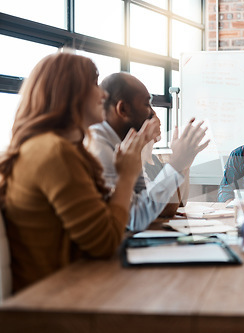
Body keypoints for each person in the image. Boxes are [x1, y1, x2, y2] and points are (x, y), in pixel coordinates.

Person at [0, 52, 157, 292]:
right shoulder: (54, 152)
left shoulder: (59, 148)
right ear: (69, 93)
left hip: (72, 286)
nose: (103, 94)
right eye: (94, 84)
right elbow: (105, 242)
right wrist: (126, 176)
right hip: (56, 300)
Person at [89, 72, 208, 231]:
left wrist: (179, 165)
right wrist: (175, 165)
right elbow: (135, 218)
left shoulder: (126, 147)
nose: (151, 113)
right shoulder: (98, 146)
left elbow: (144, 205)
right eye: (146, 104)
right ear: (122, 109)